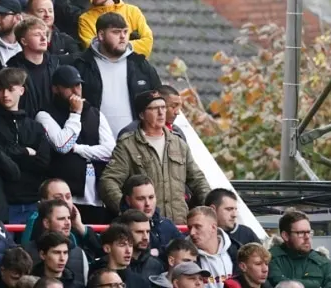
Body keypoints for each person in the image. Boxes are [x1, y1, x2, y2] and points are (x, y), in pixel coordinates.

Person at [100, 92, 208, 225]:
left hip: (179, 225)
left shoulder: (178, 143)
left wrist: (209, 210)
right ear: (141, 114)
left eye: (163, 107)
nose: (161, 112)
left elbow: (198, 180)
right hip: (146, 227)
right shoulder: (128, 145)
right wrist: (127, 211)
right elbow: (108, 181)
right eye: (154, 108)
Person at [34, 67, 113, 224]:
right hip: (67, 197)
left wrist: (78, 149)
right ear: (55, 89)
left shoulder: (94, 113)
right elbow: (63, 145)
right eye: (69, 86)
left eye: (78, 85)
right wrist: (75, 114)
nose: (76, 90)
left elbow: (110, 150)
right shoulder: (45, 114)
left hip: (96, 197)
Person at [73, 14, 160, 136]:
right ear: (101, 35)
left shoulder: (140, 65)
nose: (123, 37)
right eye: (116, 32)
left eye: (125, 32)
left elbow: (158, 101)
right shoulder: (82, 64)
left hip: (136, 144)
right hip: (93, 144)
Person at [0, 68, 52, 221]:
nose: (5, 94)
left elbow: (43, 161)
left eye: (10, 89)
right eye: (1, 89)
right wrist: (25, 152)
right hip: (3, 200)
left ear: (21, 90)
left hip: (32, 199)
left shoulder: (34, 126)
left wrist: (8, 154)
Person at [75, 0, 152, 58]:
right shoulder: (85, 19)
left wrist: (110, 46)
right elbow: (95, 51)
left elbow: (147, 44)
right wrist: (129, 43)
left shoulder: (133, 12)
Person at [267, 211, 331, 288]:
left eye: (309, 232)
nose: (307, 237)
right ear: (285, 236)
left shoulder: (322, 262)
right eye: (301, 233)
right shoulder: (271, 259)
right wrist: (315, 285)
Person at [184, 207, 236, 284]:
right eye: (190, 228)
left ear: (213, 228)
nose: (192, 232)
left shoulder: (236, 250)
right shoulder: (184, 257)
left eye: (198, 227)